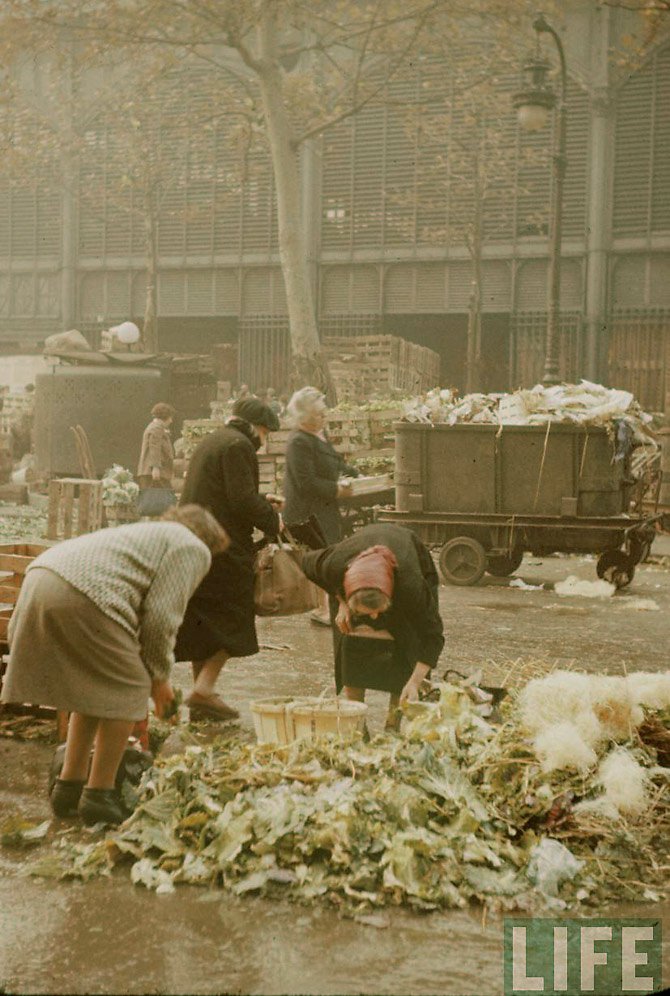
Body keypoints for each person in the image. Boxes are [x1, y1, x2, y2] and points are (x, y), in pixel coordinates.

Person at [1, 505, 229, 826]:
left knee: (95, 690)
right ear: (209, 540)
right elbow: (160, 619)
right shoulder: (191, 547)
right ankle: (100, 794)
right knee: (129, 687)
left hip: (41, 580)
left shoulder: (148, 534)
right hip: (84, 592)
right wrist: (159, 681)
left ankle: (69, 785)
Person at [175, 397, 282, 722]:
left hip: (196, 542)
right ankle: (204, 689)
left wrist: (262, 500)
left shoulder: (214, 440)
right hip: (222, 546)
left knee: (203, 621)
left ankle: (201, 700)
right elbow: (241, 500)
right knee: (235, 617)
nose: (264, 440)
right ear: (255, 427)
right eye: (265, 432)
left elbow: (225, 491)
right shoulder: (239, 446)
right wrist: (274, 520)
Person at [300, 522, 444, 730]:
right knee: (350, 640)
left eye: (378, 611)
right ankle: (357, 723)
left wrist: (415, 682)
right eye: (366, 612)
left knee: (408, 643)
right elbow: (306, 563)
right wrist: (341, 601)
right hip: (354, 571)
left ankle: (393, 724)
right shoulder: (334, 565)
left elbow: (433, 636)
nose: (375, 617)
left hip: (403, 563)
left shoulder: (411, 586)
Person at [283, 386, 358, 624]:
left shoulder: (318, 435)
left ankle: (328, 609)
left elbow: (334, 462)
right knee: (323, 558)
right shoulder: (299, 441)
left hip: (324, 508)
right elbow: (305, 482)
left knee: (328, 555)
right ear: (303, 417)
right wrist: (335, 489)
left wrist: (353, 473)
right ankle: (326, 610)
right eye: (319, 414)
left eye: (324, 412)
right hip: (308, 513)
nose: (324, 417)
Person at [137, 402, 176, 490]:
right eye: (170, 417)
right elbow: (154, 448)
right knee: (162, 496)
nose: (171, 421)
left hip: (152, 472)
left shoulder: (155, 427)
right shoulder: (156, 428)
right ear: (165, 416)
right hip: (155, 473)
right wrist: (155, 468)